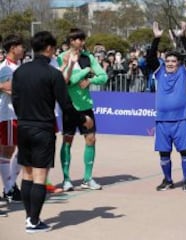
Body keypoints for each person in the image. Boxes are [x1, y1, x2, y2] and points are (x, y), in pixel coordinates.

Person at [11, 31, 93, 233]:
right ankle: (34, 221)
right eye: (54, 48)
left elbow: (15, 99)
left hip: (23, 126)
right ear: (48, 48)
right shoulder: (52, 73)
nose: (55, 51)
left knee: (28, 174)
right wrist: (83, 119)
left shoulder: (20, 72)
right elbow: (66, 105)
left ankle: (30, 217)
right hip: (42, 128)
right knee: (39, 175)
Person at [147, 21, 186, 192]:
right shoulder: (159, 72)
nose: (170, 63)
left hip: (181, 119)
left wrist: (183, 37)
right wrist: (156, 39)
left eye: (174, 61)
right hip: (162, 121)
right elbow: (151, 59)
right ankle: (168, 180)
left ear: (179, 63)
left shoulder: (184, 72)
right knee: (164, 154)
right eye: (168, 61)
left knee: (185, 152)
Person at [57, 28, 108, 191]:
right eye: (78, 39)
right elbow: (68, 81)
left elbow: (103, 76)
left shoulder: (89, 57)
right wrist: (86, 71)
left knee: (91, 139)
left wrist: (91, 79)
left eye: (83, 39)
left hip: (86, 106)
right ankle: (66, 179)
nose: (82, 42)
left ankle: (88, 178)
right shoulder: (61, 58)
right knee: (67, 141)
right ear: (71, 41)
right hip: (69, 107)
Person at [0, 34, 24, 203]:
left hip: (20, 114)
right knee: (8, 150)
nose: (23, 49)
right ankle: (9, 188)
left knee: (23, 150)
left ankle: (10, 186)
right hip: (9, 114)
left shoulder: (19, 66)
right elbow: (10, 90)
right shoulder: (5, 67)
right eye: (20, 46)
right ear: (12, 48)